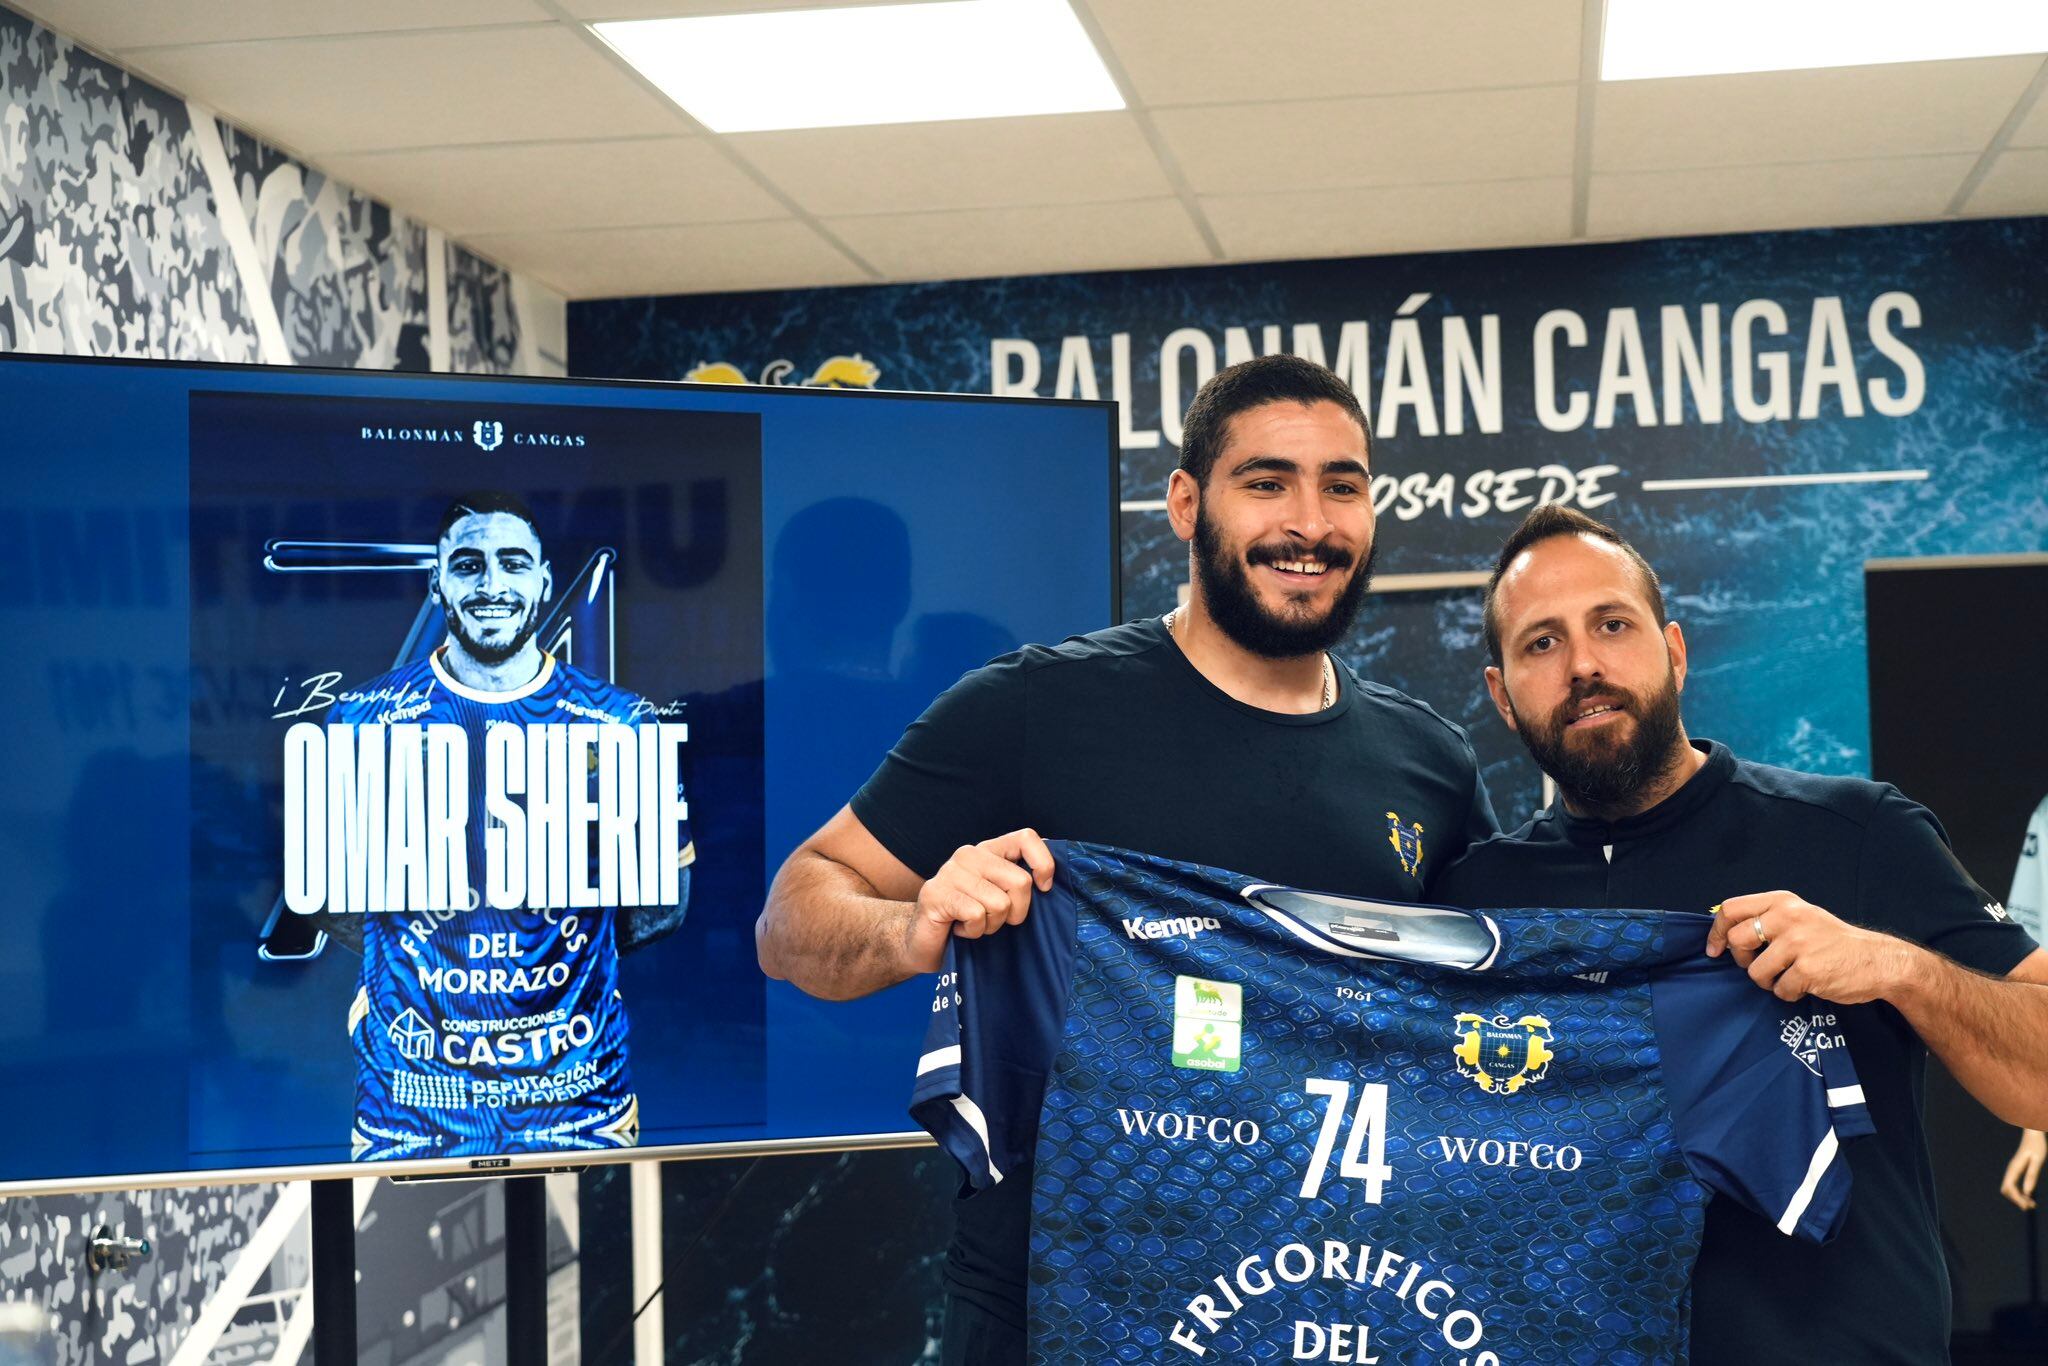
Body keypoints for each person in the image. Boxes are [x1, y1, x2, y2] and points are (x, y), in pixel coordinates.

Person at [755, 354, 1497, 1363]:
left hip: (1329, 1310)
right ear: (1185, 503)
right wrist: (912, 921)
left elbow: (1502, 1003)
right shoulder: (1033, 708)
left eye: (1341, 485)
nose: (1309, 523)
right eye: (1266, 481)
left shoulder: (1431, 765)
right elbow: (792, 916)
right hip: (1059, 1305)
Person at [1432, 504, 2048, 1365]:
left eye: (1612, 624)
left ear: (1674, 651)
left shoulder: (1857, 833)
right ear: (1502, 696)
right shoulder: (1473, 905)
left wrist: (1896, 966)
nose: (1584, 665)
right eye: (1541, 643)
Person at [322, 490, 691, 1160]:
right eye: (468, 565)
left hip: (582, 1109)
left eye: (513, 564)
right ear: (437, 583)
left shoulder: (622, 722)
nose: (492, 585)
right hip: (407, 1112)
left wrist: (556, 945)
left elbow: (660, 909)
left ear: (544, 580)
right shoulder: (362, 720)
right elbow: (334, 905)